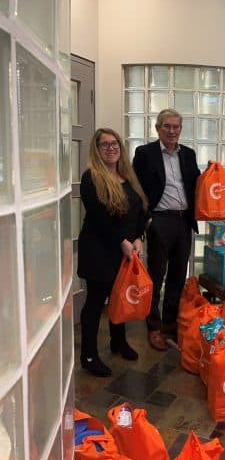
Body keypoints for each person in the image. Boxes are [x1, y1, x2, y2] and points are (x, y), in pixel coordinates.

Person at [78, 128, 149, 376]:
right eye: (104, 144)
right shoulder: (91, 178)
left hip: (125, 251)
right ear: (96, 150)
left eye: (115, 143)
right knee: (95, 304)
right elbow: (98, 218)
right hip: (99, 251)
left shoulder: (127, 177)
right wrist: (122, 240)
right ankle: (88, 356)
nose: (111, 147)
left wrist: (138, 237)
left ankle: (118, 342)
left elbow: (140, 211)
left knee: (120, 298)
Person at [133, 108, 201, 351]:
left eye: (176, 127)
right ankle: (153, 326)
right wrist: (147, 219)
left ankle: (170, 322)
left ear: (180, 129)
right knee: (156, 275)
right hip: (160, 221)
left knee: (178, 275)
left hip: (184, 222)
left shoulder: (189, 154)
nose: (172, 131)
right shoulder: (144, 154)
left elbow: (196, 184)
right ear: (157, 128)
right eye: (167, 126)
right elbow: (136, 188)